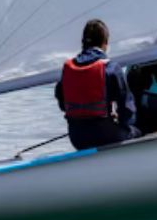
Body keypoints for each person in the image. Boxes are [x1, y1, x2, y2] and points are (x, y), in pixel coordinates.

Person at [54, 19, 142, 151]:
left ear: (83, 43)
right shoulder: (111, 68)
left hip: (77, 138)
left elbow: (63, 105)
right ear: (105, 42)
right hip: (105, 135)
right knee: (136, 132)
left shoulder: (68, 69)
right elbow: (127, 110)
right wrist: (122, 123)